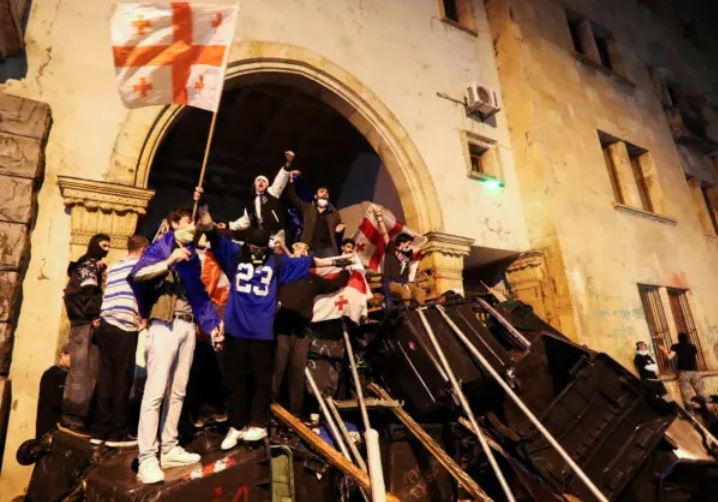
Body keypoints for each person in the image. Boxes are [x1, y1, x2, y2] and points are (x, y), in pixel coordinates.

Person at [196, 199, 347, 451]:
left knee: (261, 381)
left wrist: (340, 261)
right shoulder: (235, 255)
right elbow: (213, 233)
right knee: (234, 381)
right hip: (236, 329)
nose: (256, 252)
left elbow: (309, 263)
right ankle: (236, 425)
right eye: (252, 247)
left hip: (262, 332)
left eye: (259, 248)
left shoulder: (276, 262)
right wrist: (204, 212)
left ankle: (258, 423)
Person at [131, 208, 223, 484]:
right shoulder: (162, 247)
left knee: (179, 390)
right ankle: (147, 456)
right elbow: (138, 275)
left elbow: (198, 292)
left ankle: (169, 447)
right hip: (164, 323)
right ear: (173, 225)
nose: (191, 228)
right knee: (155, 391)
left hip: (187, 325)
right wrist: (169, 260)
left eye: (193, 224)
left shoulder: (193, 257)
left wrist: (211, 324)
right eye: (186, 224)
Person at [273, 242, 350, 415]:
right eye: (299, 248)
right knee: (278, 368)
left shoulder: (312, 279)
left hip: (301, 330)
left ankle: (295, 413)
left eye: (306, 250)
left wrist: (347, 270)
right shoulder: (282, 276)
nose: (303, 251)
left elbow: (334, 284)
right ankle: (271, 408)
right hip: (282, 327)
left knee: (297, 370)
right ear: (292, 251)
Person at [91, 235, 149, 446]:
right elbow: (144, 295)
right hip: (124, 325)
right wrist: (144, 320)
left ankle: (99, 430)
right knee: (122, 380)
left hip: (106, 324)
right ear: (143, 249)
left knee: (106, 377)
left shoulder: (115, 265)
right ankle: (118, 432)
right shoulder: (142, 266)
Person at [61, 233, 110, 431]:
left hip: (80, 322)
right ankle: (75, 417)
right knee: (84, 369)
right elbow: (89, 294)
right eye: (103, 245)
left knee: (81, 369)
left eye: (108, 246)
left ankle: (74, 415)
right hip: (85, 324)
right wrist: (94, 316)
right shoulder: (89, 266)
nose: (106, 249)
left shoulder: (86, 265)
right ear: (94, 245)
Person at [226, 150, 299, 246]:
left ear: (267, 185)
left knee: (276, 259)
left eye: (264, 181)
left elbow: (280, 179)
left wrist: (288, 163)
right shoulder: (251, 204)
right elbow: (244, 221)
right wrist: (228, 225)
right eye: (258, 180)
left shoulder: (272, 192)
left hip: (277, 235)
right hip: (262, 236)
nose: (261, 182)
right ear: (255, 185)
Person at [374, 211, 426, 307]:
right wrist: (380, 220)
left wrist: (424, 240)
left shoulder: (407, 254)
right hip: (391, 282)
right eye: (408, 243)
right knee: (405, 293)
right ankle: (407, 314)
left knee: (420, 292)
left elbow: (418, 248)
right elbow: (385, 234)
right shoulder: (391, 249)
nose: (409, 245)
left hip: (404, 283)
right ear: (402, 242)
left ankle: (418, 311)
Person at [287, 176, 345, 258]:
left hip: (327, 248)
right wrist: (291, 181)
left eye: (326, 193)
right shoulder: (308, 208)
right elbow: (293, 197)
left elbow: (340, 225)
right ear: (315, 196)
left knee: (330, 269)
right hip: (308, 247)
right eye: (322, 192)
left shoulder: (334, 213)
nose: (324, 194)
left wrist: (341, 226)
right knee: (306, 269)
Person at [660, 332, 704, 407]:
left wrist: (663, 350)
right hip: (695, 371)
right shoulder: (693, 346)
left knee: (687, 394)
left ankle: (691, 411)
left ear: (678, 339)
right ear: (687, 338)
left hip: (684, 372)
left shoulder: (676, 346)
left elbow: (669, 357)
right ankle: (705, 408)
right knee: (700, 391)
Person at [36, 344, 71, 438]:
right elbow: (53, 399)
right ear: (62, 355)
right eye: (70, 356)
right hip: (48, 425)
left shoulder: (70, 376)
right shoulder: (50, 374)